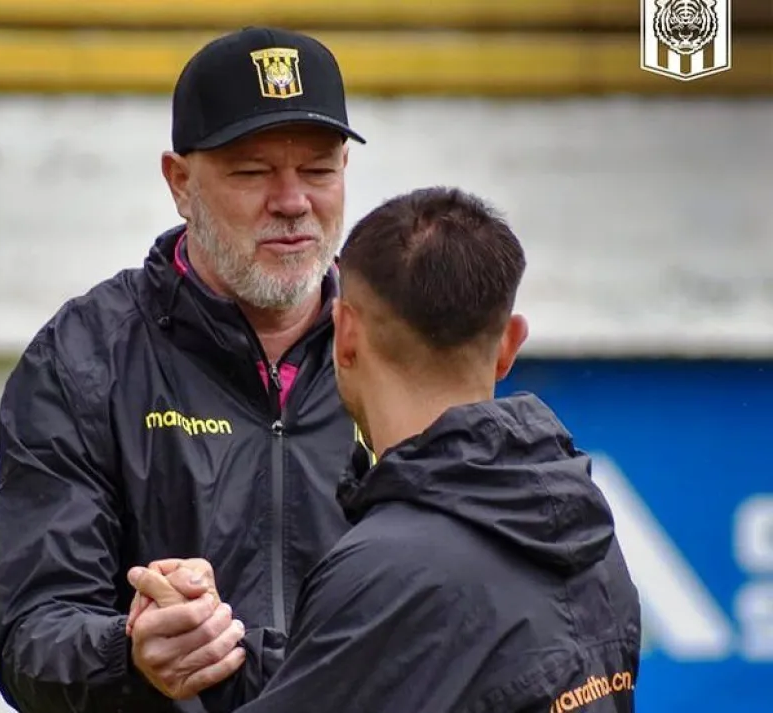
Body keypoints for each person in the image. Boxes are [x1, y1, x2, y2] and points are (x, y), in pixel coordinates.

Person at [128, 186, 643, 712]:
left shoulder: (389, 570)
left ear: (345, 333)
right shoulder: (591, 536)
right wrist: (221, 648)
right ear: (510, 343)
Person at [0, 25, 368, 713]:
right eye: (253, 172)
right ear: (180, 181)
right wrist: (130, 647)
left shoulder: (396, 341)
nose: (292, 201)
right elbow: (30, 637)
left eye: (319, 170)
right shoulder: (83, 356)